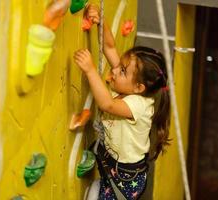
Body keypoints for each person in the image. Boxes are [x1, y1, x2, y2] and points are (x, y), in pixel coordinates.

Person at [73, 4, 171, 200]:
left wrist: (91, 70)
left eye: (123, 70)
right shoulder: (127, 83)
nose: (115, 70)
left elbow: (107, 104)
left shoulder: (139, 105)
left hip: (126, 179)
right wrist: (102, 23)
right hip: (115, 167)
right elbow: (109, 47)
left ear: (139, 88)